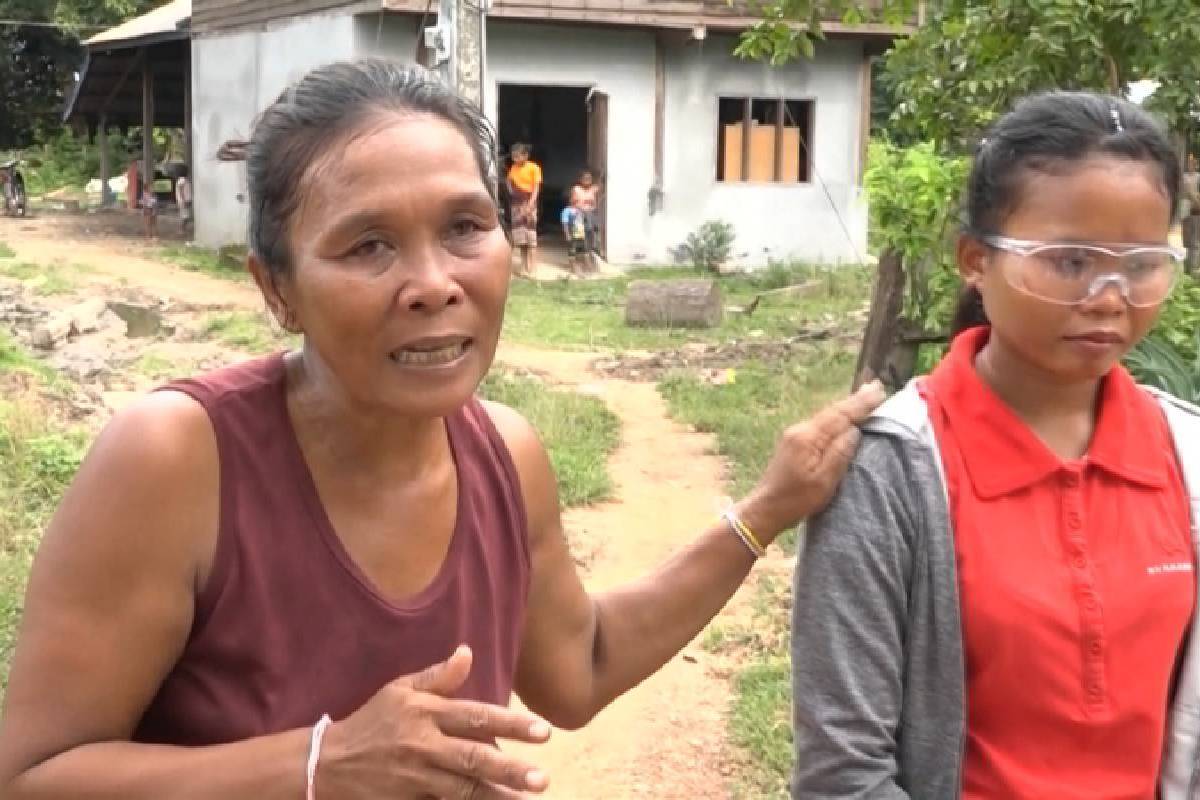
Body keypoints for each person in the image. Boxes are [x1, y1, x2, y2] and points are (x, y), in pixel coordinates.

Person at [0, 59, 885, 799]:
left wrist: (768, 509)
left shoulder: (507, 455)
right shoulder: (179, 460)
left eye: (465, 227)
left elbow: (580, 664)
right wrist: (318, 764)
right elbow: (34, 772)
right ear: (276, 289)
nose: (432, 283)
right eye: (368, 246)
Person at [791, 91, 1200, 800]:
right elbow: (843, 773)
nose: (1109, 297)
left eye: (1139, 264)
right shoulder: (891, 472)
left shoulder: (1187, 458)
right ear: (975, 260)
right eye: (1069, 262)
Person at [506, 143, 541, 277]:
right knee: (521, 239)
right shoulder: (513, 167)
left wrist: (531, 204)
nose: (515, 159)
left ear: (525, 155)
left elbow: (536, 187)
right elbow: (509, 181)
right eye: (513, 157)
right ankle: (523, 267)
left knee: (531, 237)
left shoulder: (534, 168)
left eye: (517, 156)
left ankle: (532, 268)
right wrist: (512, 192)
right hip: (516, 205)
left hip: (529, 203)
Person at [569, 170, 601, 267]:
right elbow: (572, 203)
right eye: (585, 178)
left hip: (590, 214)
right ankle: (575, 261)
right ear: (580, 179)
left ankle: (587, 259)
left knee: (589, 236)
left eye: (589, 178)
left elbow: (601, 183)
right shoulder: (576, 189)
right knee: (578, 237)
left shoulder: (593, 189)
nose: (587, 180)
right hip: (578, 214)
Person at [560, 197, 589, 275]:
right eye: (579, 202)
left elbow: (584, 222)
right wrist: (567, 234)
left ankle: (582, 267)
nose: (581, 204)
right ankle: (573, 268)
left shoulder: (580, 211)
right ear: (573, 202)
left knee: (582, 251)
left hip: (581, 234)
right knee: (572, 251)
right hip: (572, 234)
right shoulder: (567, 211)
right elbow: (565, 224)